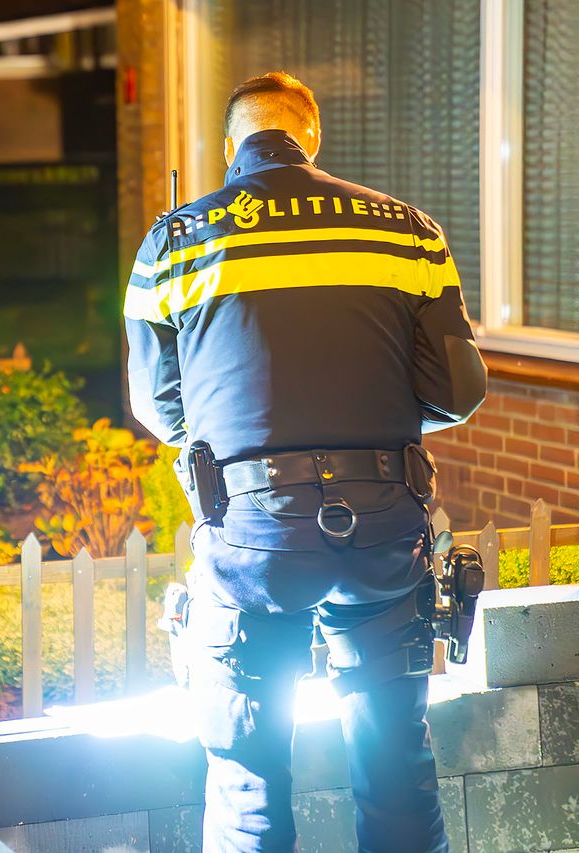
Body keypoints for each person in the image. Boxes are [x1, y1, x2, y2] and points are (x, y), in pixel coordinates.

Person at [124, 72, 486, 853]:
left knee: (247, 782)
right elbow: (459, 391)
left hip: (251, 539)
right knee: (396, 765)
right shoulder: (406, 230)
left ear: (231, 149)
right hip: (387, 531)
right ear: (311, 137)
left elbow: (159, 411)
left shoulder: (174, 241)